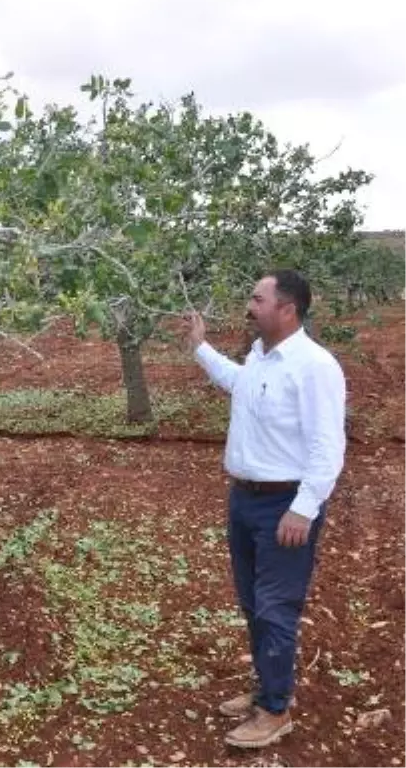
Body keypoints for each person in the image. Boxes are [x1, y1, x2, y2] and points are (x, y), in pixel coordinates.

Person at [186, 269, 346, 750]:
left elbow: (327, 444)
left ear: (287, 309)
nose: (249, 306)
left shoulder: (314, 366)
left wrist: (303, 508)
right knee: (254, 604)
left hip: (284, 504)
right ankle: (265, 691)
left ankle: (275, 712)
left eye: (258, 299)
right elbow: (237, 383)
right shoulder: (260, 358)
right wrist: (199, 345)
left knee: (276, 608)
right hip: (245, 500)